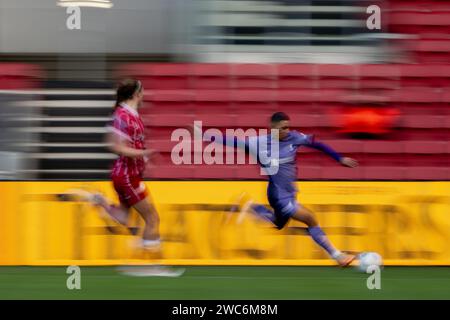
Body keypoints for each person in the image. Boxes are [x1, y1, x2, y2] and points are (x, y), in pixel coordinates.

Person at [195, 111, 359, 267]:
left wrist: (340, 158)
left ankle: (249, 206)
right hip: (278, 195)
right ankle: (338, 256)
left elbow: (318, 145)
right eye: (283, 128)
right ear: (273, 129)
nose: (287, 131)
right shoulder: (258, 143)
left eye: (288, 126)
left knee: (278, 223)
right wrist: (203, 135)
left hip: (289, 193)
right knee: (310, 218)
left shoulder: (294, 137)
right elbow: (232, 141)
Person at [69, 79, 161, 251]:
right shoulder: (122, 115)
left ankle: (100, 201)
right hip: (127, 176)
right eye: (142, 91)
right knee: (152, 218)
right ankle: (151, 263)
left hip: (131, 174)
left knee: (124, 218)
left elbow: (132, 144)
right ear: (135, 94)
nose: (144, 94)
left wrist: (144, 158)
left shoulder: (132, 115)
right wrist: (143, 154)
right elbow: (115, 146)